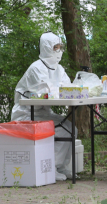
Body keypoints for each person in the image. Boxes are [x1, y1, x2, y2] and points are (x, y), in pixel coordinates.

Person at [11, 32, 77, 181]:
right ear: (47, 48)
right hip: (27, 114)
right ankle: (50, 167)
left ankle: (60, 167)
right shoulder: (36, 68)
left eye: (60, 47)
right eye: (56, 47)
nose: (59, 50)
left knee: (71, 128)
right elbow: (44, 95)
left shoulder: (59, 69)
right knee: (64, 130)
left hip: (43, 112)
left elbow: (67, 87)